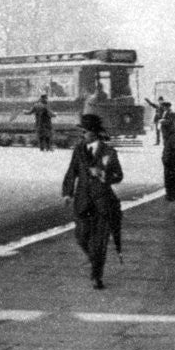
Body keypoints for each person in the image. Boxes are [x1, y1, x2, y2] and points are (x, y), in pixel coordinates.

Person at [61, 113, 123, 290]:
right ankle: (95, 260)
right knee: (81, 237)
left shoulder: (109, 152)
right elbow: (72, 171)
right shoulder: (79, 149)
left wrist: (103, 174)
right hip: (82, 201)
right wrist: (67, 193)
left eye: (85, 132)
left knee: (99, 243)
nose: (82, 135)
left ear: (94, 133)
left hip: (103, 204)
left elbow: (118, 175)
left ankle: (97, 276)